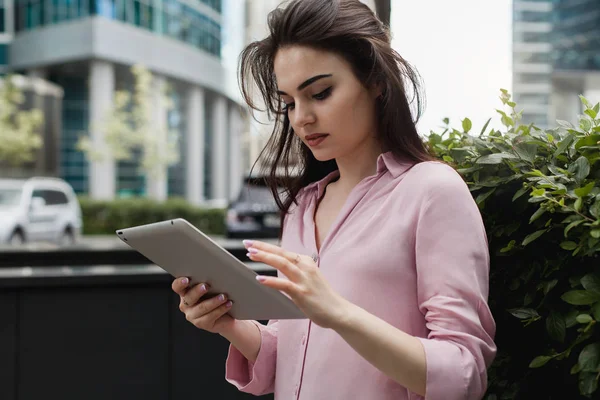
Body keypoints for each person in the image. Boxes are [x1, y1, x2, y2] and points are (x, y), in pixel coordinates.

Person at [171, 0, 496, 399]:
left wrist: (339, 313)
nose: (300, 117)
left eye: (320, 93)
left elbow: (464, 372)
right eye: (289, 103)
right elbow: (292, 353)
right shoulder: (303, 207)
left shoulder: (433, 191)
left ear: (375, 81)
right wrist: (227, 323)